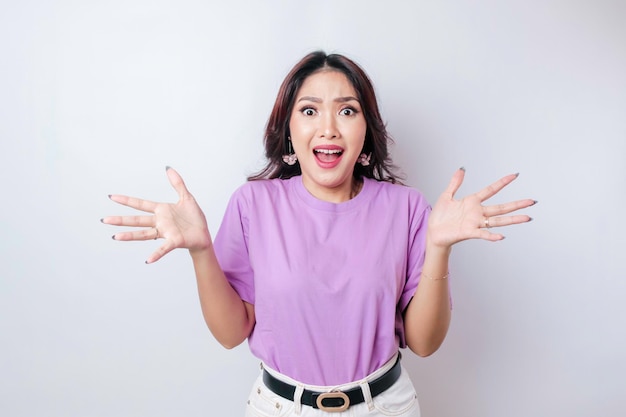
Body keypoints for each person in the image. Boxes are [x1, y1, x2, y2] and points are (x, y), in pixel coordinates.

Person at [103, 51, 535, 416]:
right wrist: (201, 252)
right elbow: (232, 333)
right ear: (288, 131)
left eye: (347, 110)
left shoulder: (405, 209)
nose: (328, 127)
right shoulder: (254, 204)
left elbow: (423, 343)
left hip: (385, 407)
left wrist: (439, 248)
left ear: (366, 131)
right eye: (309, 111)